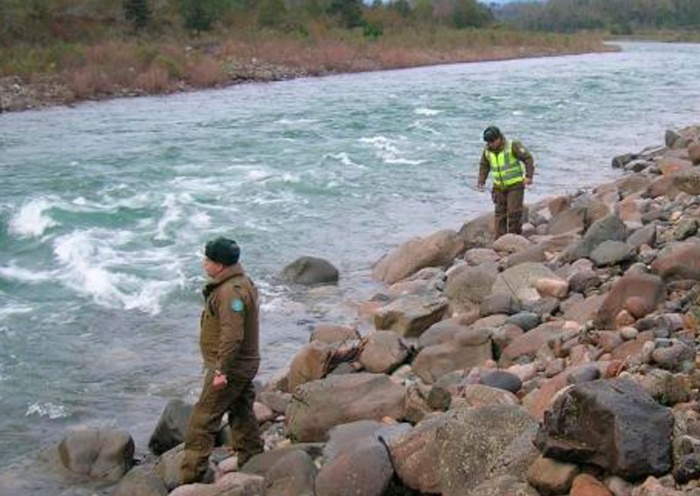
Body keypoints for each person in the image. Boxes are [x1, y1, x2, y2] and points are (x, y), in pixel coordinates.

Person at [181, 237, 264, 484]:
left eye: (207, 259)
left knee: (202, 421)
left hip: (233, 367)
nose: (204, 263)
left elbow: (232, 335)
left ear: (219, 265)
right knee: (241, 410)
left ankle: (190, 479)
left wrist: (221, 371)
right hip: (243, 365)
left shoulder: (229, 292)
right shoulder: (241, 283)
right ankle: (252, 456)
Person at [477, 125, 535, 238]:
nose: (490, 144)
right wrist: (481, 180)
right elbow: (484, 165)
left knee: (514, 212)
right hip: (499, 186)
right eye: (488, 142)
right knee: (499, 214)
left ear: (499, 138)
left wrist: (529, 176)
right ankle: (500, 239)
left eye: (492, 141)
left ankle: (514, 237)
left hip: (515, 185)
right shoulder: (487, 151)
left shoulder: (513, 146)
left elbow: (528, 158)